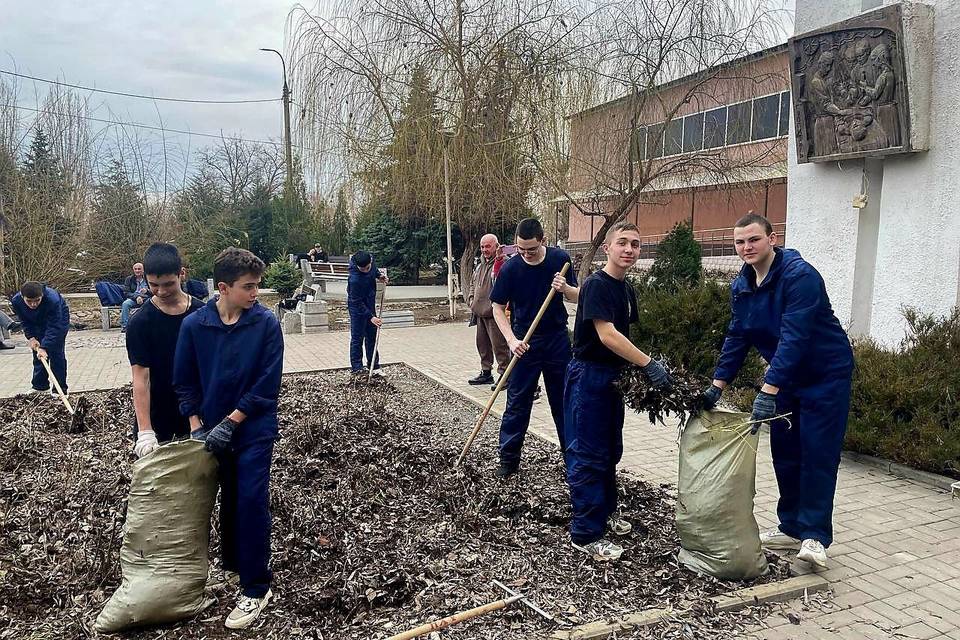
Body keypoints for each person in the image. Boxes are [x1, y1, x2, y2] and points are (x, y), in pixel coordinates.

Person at [702, 213, 854, 569]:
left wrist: (767, 390)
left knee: (817, 453)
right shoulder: (742, 285)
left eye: (753, 239)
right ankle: (790, 526)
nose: (746, 248)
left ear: (772, 239)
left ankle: (815, 535)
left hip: (824, 377)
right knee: (786, 452)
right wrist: (716, 386)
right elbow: (738, 336)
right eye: (739, 242)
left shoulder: (800, 277)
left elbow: (794, 337)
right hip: (786, 379)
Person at [173, 247, 284, 629]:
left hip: (253, 428)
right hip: (211, 430)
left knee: (251, 500)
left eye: (257, 286)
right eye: (248, 287)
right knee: (227, 498)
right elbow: (184, 379)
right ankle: (233, 566)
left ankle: (256, 588)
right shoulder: (195, 326)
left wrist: (232, 422)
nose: (256, 294)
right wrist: (196, 425)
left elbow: (267, 384)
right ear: (223, 287)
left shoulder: (265, 324)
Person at [564, 222, 672, 561]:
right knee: (591, 454)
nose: (629, 249)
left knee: (611, 450)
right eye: (622, 243)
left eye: (636, 245)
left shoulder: (625, 289)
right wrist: (648, 364)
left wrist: (637, 366)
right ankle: (585, 533)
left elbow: (624, 336)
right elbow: (607, 335)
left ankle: (605, 512)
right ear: (608, 248)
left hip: (613, 377)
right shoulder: (596, 285)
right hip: (590, 377)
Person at [490, 218, 577, 478]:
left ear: (543, 240)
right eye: (521, 249)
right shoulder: (511, 269)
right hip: (524, 343)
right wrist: (511, 341)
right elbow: (497, 307)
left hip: (556, 340)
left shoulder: (559, 260)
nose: (526, 254)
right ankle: (508, 460)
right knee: (517, 402)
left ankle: (572, 459)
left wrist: (566, 287)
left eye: (531, 249)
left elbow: (577, 295)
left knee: (564, 401)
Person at [125, 243, 205, 458]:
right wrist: (145, 430)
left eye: (168, 284)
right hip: (158, 415)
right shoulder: (140, 323)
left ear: (182, 274)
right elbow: (141, 378)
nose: (161, 291)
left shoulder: (201, 314)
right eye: (154, 285)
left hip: (198, 412)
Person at [11, 282, 70, 394]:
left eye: (37, 300)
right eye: (29, 301)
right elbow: (25, 321)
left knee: (56, 354)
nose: (33, 304)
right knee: (38, 354)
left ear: (42, 295)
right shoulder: (16, 301)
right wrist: (31, 337)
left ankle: (60, 389)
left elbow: (54, 326)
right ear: (22, 297)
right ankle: (40, 386)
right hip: (36, 321)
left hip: (59, 320)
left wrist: (45, 346)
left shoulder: (52, 300)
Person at [467, 234, 510, 386]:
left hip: (494, 314)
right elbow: (473, 282)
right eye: (482, 246)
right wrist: (471, 300)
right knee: (482, 345)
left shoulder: (502, 263)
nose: (484, 250)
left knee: (499, 346)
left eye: (488, 246)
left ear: (496, 246)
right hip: (479, 313)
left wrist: (499, 260)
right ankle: (486, 372)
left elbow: (502, 282)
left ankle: (505, 374)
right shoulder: (480, 264)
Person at [347, 250, 388, 375]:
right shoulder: (354, 279)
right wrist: (370, 317)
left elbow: (373, 270)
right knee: (357, 338)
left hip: (369, 302)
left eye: (368, 268)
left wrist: (379, 276)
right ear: (358, 266)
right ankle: (357, 368)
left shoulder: (370, 260)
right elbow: (356, 302)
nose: (366, 270)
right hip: (357, 308)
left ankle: (374, 366)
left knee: (372, 335)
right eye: (363, 269)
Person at [121, 262, 151, 333]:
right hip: (133, 299)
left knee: (151, 303)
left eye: (139, 269)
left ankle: (148, 324)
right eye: (135, 269)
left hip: (146, 298)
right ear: (133, 270)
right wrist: (137, 297)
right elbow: (126, 293)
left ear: (143, 270)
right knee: (125, 304)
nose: (137, 271)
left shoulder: (148, 278)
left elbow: (154, 291)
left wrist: (147, 291)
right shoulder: (129, 279)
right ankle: (125, 326)